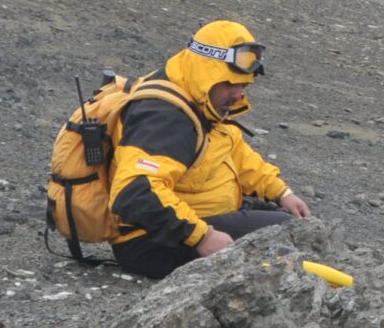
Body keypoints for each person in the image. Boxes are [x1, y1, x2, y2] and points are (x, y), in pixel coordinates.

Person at [101, 19, 312, 280]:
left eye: (243, 86)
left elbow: (235, 153)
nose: (238, 94)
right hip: (152, 242)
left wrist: (281, 192)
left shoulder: (200, 98)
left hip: (190, 221)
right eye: (230, 83)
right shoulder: (166, 118)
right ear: (207, 71)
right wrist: (202, 237)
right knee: (289, 232)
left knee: (294, 221)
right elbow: (134, 192)